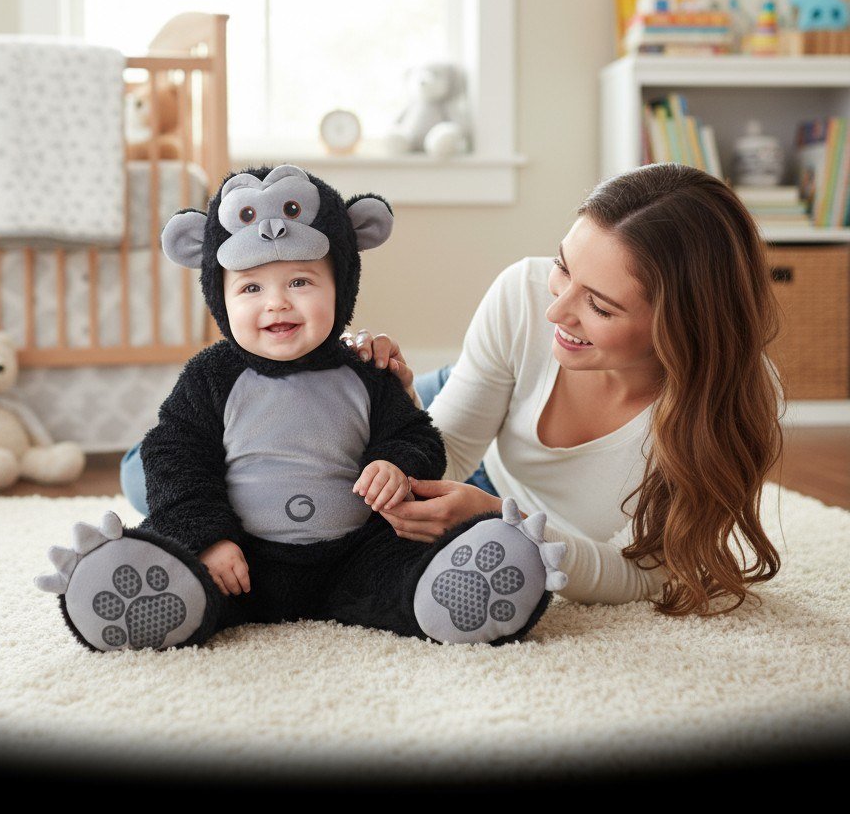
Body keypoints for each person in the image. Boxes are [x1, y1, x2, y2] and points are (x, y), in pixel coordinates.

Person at [36, 165, 567, 650]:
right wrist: (208, 539)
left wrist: (395, 465)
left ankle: (458, 594)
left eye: (300, 282)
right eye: (250, 287)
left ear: (342, 285)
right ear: (220, 299)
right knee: (196, 578)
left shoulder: (364, 371)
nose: (277, 302)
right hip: (243, 561)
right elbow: (175, 458)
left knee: (404, 576)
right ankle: (156, 595)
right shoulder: (211, 376)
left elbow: (418, 437)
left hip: (356, 556)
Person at [344, 163, 784, 616]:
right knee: (336, 422)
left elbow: (641, 575)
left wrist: (505, 522)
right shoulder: (524, 295)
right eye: (562, 266)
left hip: (501, 506)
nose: (554, 310)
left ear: (682, 325)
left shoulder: (730, 406)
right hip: (478, 424)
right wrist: (398, 402)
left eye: (599, 306)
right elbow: (449, 452)